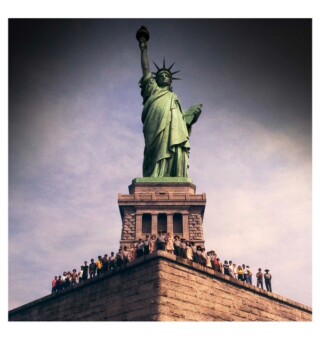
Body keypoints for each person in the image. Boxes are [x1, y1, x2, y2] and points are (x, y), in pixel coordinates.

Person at [137, 26, 202, 177]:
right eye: (161, 74)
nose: (164, 76)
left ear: (171, 81)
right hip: (154, 127)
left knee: (175, 146)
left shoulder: (174, 99)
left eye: (167, 74)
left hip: (172, 132)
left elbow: (181, 125)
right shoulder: (152, 90)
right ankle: (155, 174)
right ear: (156, 79)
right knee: (154, 152)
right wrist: (143, 49)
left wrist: (190, 116)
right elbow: (146, 70)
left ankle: (173, 174)